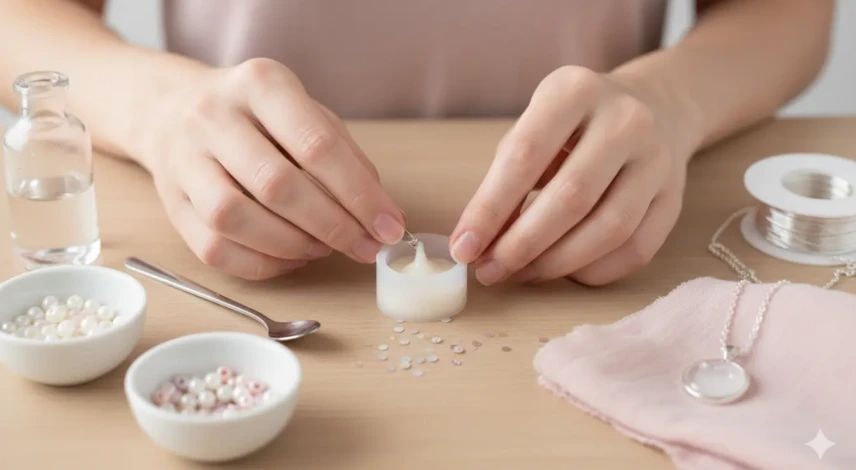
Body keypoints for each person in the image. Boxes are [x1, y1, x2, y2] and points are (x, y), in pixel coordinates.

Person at [0, 0, 834, 285]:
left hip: (614, 242)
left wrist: (673, 103)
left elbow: (789, 16)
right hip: (235, 229)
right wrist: (158, 110)